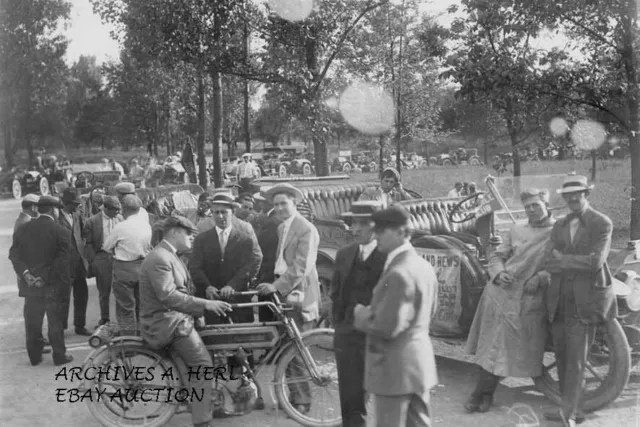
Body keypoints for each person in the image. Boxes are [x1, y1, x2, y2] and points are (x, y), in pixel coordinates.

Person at [464, 188, 555, 413]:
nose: (531, 210)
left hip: (528, 299)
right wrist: (497, 272)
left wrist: (542, 276)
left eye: (536, 205)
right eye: (527, 207)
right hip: (499, 294)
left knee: (502, 347)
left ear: (547, 206)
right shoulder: (516, 229)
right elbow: (497, 256)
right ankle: (483, 395)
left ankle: (481, 394)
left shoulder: (558, 232)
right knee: (492, 346)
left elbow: (562, 264)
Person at [139, 216, 232, 427]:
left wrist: (199, 312)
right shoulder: (160, 258)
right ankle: (202, 421)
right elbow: (169, 296)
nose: (191, 238)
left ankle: (209, 403)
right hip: (167, 323)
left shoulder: (170, 255)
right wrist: (205, 305)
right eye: (188, 234)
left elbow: (184, 291)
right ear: (174, 233)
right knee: (203, 366)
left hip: (175, 318)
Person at [353, 205, 438, 427]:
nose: (376, 235)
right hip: (418, 363)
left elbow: (386, 326)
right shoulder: (423, 266)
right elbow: (431, 311)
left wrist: (360, 314)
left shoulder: (399, 272)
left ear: (402, 232)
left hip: (393, 367)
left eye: (382, 230)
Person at [543, 175, 616, 427]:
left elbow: (596, 262)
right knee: (562, 357)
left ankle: (570, 414)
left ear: (587, 194)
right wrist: (568, 262)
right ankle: (569, 408)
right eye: (568, 195)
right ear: (563, 198)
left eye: (578, 193)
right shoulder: (559, 225)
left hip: (584, 302)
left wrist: (562, 260)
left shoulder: (601, 223)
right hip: (559, 299)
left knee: (576, 359)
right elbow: (547, 260)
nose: (573, 198)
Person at [256, 183, 321, 412]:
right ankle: (292, 398)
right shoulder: (283, 227)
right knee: (287, 348)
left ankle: (302, 401)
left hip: (299, 293)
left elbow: (301, 267)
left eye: (284, 203)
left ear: (295, 203)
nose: (280, 208)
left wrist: (276, 286)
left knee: (298, 348)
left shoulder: (306, 229)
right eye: (276, 204)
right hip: (284, 293)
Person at [331, 201, 386, 426]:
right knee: (349, 391)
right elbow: (336, 293)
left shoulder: (389, 256)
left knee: (384, 394)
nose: (356, 229)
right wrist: (339, 325)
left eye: (364, 223)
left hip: (377, 335)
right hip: (347, 334)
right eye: (354, 222)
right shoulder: (345, 254)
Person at [9, 196, 73, 366]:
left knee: (33, 322)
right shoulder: (61, 232)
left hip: (30, 285)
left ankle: (35, 357)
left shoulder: (23, 229)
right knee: (55, 321)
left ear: (39, 209)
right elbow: (62, 261)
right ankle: (59, 355)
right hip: (52, 285)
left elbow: (14, 255)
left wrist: (27, 274)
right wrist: (44, 277)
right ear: (54, 210)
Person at [190, 192, 263, 324]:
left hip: (237, 299)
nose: (220, 216)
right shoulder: (202, 239)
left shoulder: (244, 239)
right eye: (216, 213)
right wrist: (207, 286)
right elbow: (195, 266)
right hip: (211, 300)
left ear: (233, 212)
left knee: (242, 337)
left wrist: (232, 285)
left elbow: (249, 266)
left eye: (224, 212)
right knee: (215, 338)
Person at [103, 194, 152, 334]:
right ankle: (142, 333)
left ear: (125, 209)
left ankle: (129, 337)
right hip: (142, 266)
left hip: (123, 269)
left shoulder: (121, 227)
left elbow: (106, 247)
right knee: (141, 303)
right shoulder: (146, 225)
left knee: (125, 306)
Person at [83, 196, 122, 327]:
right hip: (102, 258)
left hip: (120, 258)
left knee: (121, 291)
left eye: (118, 210)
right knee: (104, 292)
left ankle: (123, 321)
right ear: (105, 208)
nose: (117, 213)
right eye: (114, 210)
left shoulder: (120, 219)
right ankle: (105, 319)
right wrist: (93, 261)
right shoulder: (92, 222)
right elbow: (87, 244)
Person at [58, 188, 91, 336]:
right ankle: (60, 327)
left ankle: (80, 325)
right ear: (67, 203)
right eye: (75, 203)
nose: (78, 205)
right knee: (63, 297)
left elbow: (83, 233)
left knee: (82, 294)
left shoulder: (77, 215)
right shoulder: (56, 217)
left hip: (79, 262)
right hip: (64, 264)